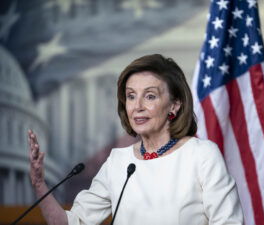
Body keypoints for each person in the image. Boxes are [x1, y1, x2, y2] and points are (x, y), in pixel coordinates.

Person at [28, 54, 244, 225]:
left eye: (150, 96)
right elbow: (72, 223)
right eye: (131, 96)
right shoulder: (118, 162)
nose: (137, 105)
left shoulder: (201, 155)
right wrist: (39, 184)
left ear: (174, 105)